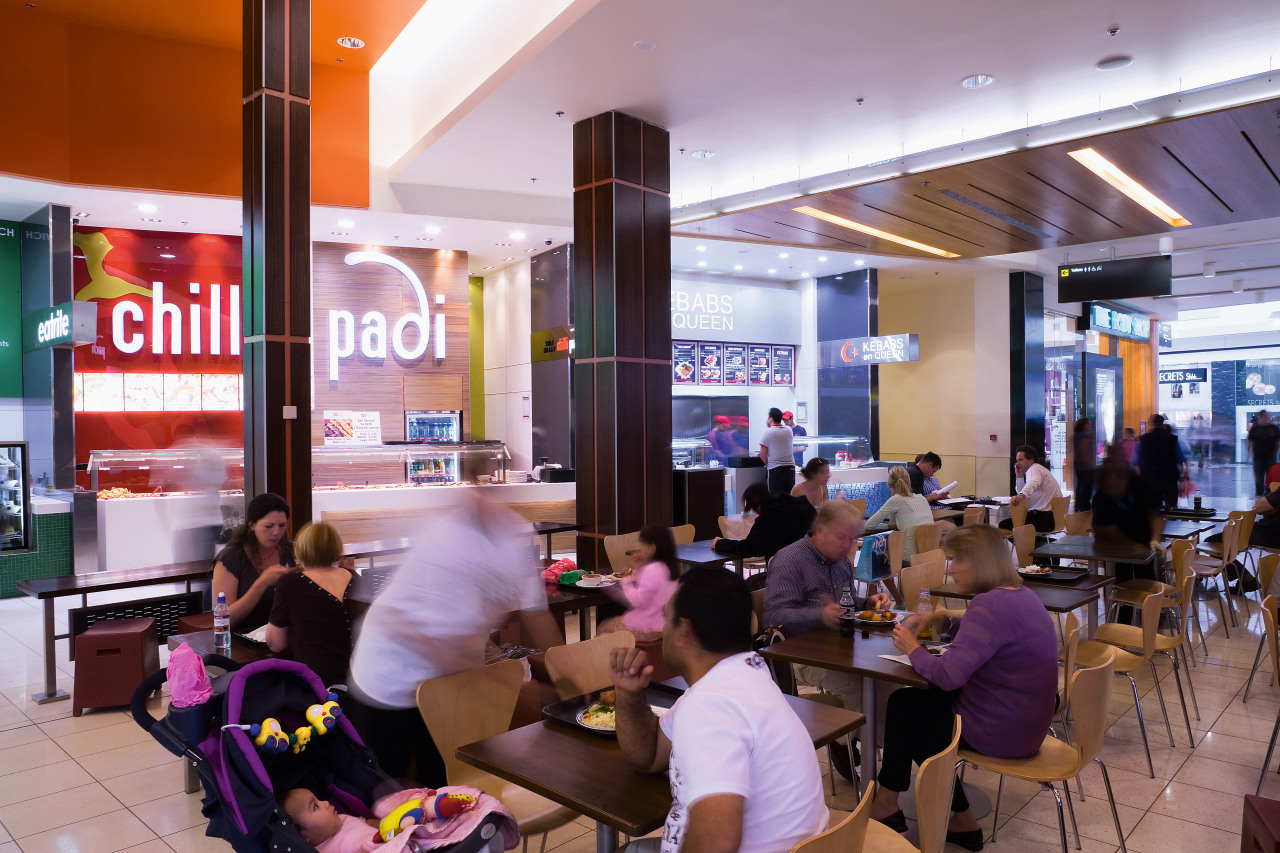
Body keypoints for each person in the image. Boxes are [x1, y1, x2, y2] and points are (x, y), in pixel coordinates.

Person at [346, 492, 563, 786]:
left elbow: (536, 615)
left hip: (446, 679)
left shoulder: (514, 535)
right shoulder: (442, 537)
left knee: (443, 778)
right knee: (388, 787)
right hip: (387, 675)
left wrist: (568, 685)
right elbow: (399, 624)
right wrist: (499, 681)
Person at [610, 568, 828, 853]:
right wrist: (628, 692)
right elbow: (649, 755)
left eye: (667, 619)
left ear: (684, 632)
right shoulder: (741, 676)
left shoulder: (712, 705)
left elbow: (717, 842)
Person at [870, 525, 1058, 852]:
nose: (951, 568)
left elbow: (946, 676)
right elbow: (983, 635)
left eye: (958, 559)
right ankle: (955, 820)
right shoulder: (1022, 596)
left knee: (907, 707)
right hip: (1027, 726)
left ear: (981, 563)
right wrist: (940, 619)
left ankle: (891, 805)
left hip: (1000, 734)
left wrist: (912, 647)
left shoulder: (988, 606)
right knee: (918, 708)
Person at [764, 502, 892, 718]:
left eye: (851, 540)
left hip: (838, 649)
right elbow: (773, 618)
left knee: (889, 681)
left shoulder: (840, 562)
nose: (847, 546)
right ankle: (857, 747)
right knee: (857, 689)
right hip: (799, 654)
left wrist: (866, 603)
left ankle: (877, 743)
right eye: (841, 538)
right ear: (820, 531)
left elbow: (847, 600)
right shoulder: (790, 560)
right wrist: (820, 614)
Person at [266, 522, 361, 687]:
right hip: (359, 683)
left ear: (302, 550)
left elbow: (276, 644)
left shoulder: (290, 582)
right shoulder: (354, 577)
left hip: (317, 688)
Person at [1091, 456, 1165, 621]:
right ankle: (1119, 622)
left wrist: (1154, 539)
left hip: (1144, 540)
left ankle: (1152, 618)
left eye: (1117, 485)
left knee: (1146, 579)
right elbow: (1109, 531)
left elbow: (1155, 513)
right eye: (1108, 488)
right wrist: (1132, 547)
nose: (1113, 491)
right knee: (1119, 583)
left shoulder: (1141, 486)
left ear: (1125, 479)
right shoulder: (1101, 499)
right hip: (1113, 548)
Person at [212, 492, 296, 631]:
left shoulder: (293, 551)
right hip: (244, 638)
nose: (276, 532)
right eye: (268, 526)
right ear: (252, 525)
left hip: (286, 635)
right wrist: (261, 583)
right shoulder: (231, 558)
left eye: (282, 525)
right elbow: (225, 621)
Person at [599, 525, 680, 641]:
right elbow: (651, 587)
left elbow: (638, 601)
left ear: (653, 548)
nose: (641, 548)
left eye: (642, 544)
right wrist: (639, 567)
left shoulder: (653, 569)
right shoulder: (669, 568)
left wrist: (626, 581)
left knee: (604, 627)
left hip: (646, 627)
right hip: (663, 625)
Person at [712, 482, 816, 561]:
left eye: (753, 509)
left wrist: (719, 543)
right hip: (813, 566)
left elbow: (748, 548)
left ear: (758, 505)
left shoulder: (768, 517)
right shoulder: (805, 506)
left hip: (784, 573)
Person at [865, 466, 934, 560]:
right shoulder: (921, 498)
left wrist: (888, 526)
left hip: (908, 558)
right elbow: (895, 524)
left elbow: (868, 525)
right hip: (928, 555)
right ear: (909, 482)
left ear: (889, 484)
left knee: (876, 548)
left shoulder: (896, 500)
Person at [1000, 446, 1062, 532]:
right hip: (1053, 518)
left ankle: (1025, 545)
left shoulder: (1034, 469)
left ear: (1031, 460)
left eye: (1021, 460)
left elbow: (1034, 483)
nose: (1017, 464)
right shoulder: (1040, 469)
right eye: (1017, 460)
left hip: (1043, 519)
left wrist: (1021, 496)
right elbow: (1021, 492)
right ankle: (1028, 544)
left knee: (1003, 525)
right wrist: (1019, 477)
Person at [1134, 414, 1186, 508]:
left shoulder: (1144, 439)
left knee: (1152, 510)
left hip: (1150, 479)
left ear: (1151, 424)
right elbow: (1180, 459)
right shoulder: (1172, 439)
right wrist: (1182, 476)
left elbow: (1138, 462)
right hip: (1169, 479)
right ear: (1162, 424)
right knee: (1172, 509)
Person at [759, 407, 795, 496]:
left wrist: (769, 464)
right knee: (789, 497)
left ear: (770, 418)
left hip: (776, 470)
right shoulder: (789, 430)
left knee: (775, 499)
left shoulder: (769, 432)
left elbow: (762, 454)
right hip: (790, 468)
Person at [1249, 411, 1280, 497]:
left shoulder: (1273, 428)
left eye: (1266, 416)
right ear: (1260, 417)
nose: (1265, 417)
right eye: (1264, 416)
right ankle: (1259, 494)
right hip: (1258, 456)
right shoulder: (1255, 429)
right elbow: (1250, 441)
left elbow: (1277, 442)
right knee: (1259, 477)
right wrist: (1249, 453)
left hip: (1270, 456)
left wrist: (1275, 452)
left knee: (1271, 476)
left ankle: (1269, 493)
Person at [1072, 417, 1097, 512]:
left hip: (1079, 464)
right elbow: (1084, 450)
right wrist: (1090, 462)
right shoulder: (1084, 435)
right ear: (1083, 424)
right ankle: (1085, 505)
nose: (1089, 426)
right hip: (1085, 465)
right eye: (1088, 424)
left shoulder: (1076, 435)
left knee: (1081, 485)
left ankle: (1079, 505)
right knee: (1087, 486)